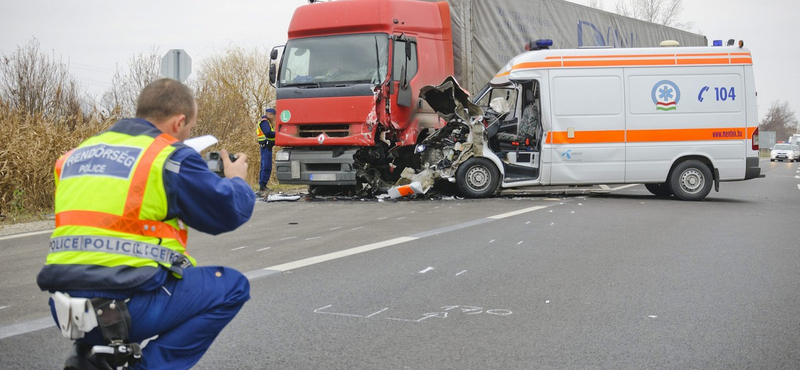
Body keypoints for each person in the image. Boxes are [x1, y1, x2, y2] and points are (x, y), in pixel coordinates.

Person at [36, 78, 256, 370]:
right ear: (179, 122)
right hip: (124, 308)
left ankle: (88, 357)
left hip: (65, 309)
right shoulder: (167, 156)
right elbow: (226, 213)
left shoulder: (75, 156)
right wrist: (237, 180)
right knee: (232, 287)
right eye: (190, 128)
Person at [257, 108, 276, 193]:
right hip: (266, 146)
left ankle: (262, 185)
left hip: (267, 146)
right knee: (266, 166)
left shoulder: (266, 122)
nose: (274, 117)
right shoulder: (264, 122)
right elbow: (268, 133)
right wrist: (277, 133)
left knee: (265, 166)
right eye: (273, 115)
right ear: (269, 114)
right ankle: (263, 185)